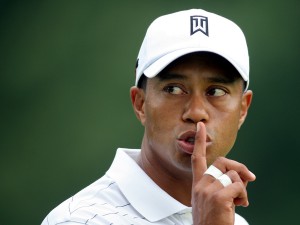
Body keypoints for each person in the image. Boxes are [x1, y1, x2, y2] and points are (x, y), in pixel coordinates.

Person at [41, 8, 256, 225]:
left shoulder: (231, 221)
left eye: (216, 91)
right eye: (174, 89)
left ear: (243, 109)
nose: (196, 112)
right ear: (140, 104)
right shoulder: (80, 219)